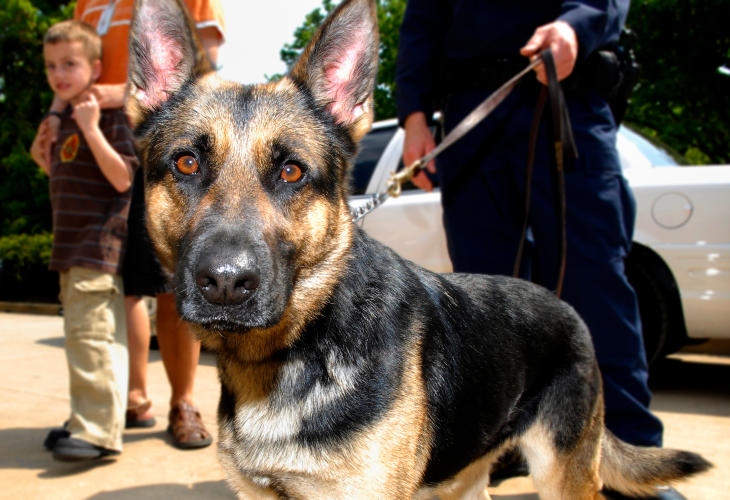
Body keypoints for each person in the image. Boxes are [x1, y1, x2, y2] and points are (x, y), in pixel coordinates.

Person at [396, 2, 686, 499]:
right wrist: (414, 115)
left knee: (594, 283)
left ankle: (631, 454)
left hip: (566, 98)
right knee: (483, 302)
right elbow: (423, 18)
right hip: (471, 109)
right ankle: (494, 447)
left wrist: (577, 27)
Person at [68, 0, 226, 450]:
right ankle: (129, 399)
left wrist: (118, 94)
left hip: (165, 147)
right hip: (97, 150)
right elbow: (74, 64)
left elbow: (209, 71)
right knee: (116, 285)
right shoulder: (86, 3)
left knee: (171, 284)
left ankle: (183, 403)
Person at [30, 19, 138, 461]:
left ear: (94, 68)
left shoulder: (106, 116)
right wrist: (44, 157)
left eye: (69, 64)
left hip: (96, 242)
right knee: (88, 337)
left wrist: (91, 128)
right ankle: (89, 420)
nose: (59, 74)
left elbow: (123, 178)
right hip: (71, 245)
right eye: (51, 65)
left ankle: (96, 432)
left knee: (90, 336)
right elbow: (69, 180)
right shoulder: (66, 120)